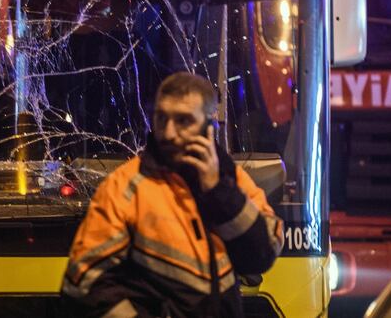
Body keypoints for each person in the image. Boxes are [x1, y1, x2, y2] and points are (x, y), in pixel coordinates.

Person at [61, 72, 284, 317]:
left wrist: (219, 192)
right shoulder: (126, 187)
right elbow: (82, 284)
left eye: (183, 120)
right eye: (161, 118)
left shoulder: (231, 179)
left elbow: (262, 256)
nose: (168, 133)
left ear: (210, 127)